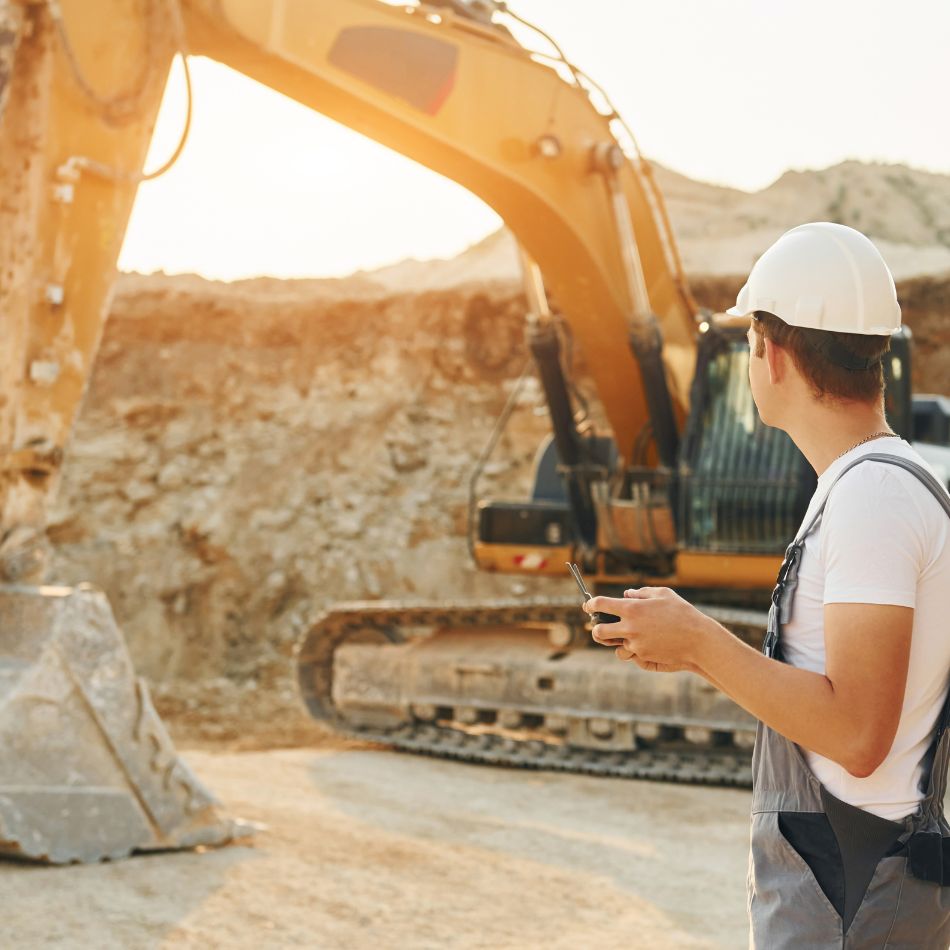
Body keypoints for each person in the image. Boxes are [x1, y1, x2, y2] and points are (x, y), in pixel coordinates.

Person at [583, 222, 950, 948]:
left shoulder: (871, 497)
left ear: (770, 353)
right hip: (857, 879)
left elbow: (858, 735)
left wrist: (700, 642)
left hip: (851, 890)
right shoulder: (875, 483)